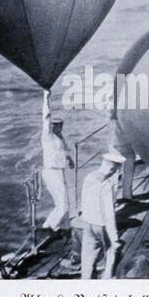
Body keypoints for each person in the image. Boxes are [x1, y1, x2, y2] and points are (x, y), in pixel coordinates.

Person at [80, 151, 125, 279]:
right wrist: (115, 239)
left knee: (87, 254)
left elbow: (83, 202)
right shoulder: (106, 185)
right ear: (112, 168)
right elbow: (109, 215)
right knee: (110, 251)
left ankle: (85, 279)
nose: (115, 172)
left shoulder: (89, 177)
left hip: (88, 222)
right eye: (115, 169)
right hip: (101, 225)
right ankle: (108, 278)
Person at [41, 90, 75, 231]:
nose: (59, 127)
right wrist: (46, 97)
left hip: (59, 171)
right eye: (56, 125)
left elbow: (65, 151)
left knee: (60, 203)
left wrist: (70, 159)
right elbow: (46, 118)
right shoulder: (47, 137)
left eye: (61, 125)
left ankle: (47, 225)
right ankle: (53, 227)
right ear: (52, 126)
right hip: (51, 171)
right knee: (63, 205)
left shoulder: (61, 138)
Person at [109, 114, 136, 202]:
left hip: (124, 145)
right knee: (116, 174)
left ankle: (126, 196)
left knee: (127, 171)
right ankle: (114, 199)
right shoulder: (115, 119)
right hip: (118, 146)